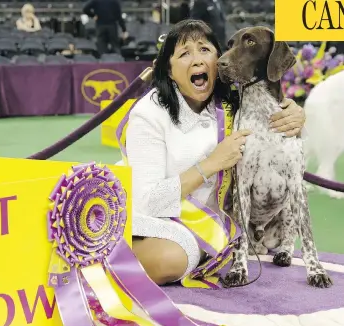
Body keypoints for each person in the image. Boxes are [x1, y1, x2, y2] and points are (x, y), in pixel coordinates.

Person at [123, 20, 306, 285]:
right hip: (160, 217)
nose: (197, 60)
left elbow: (278, 112)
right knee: (169, 260)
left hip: (217, 226)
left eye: (205, 50)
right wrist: (211, 164)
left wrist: (298, 114)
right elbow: (147, 202)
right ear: (169, 70)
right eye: (184, 53)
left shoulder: (232, 100)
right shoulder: (149, 114)